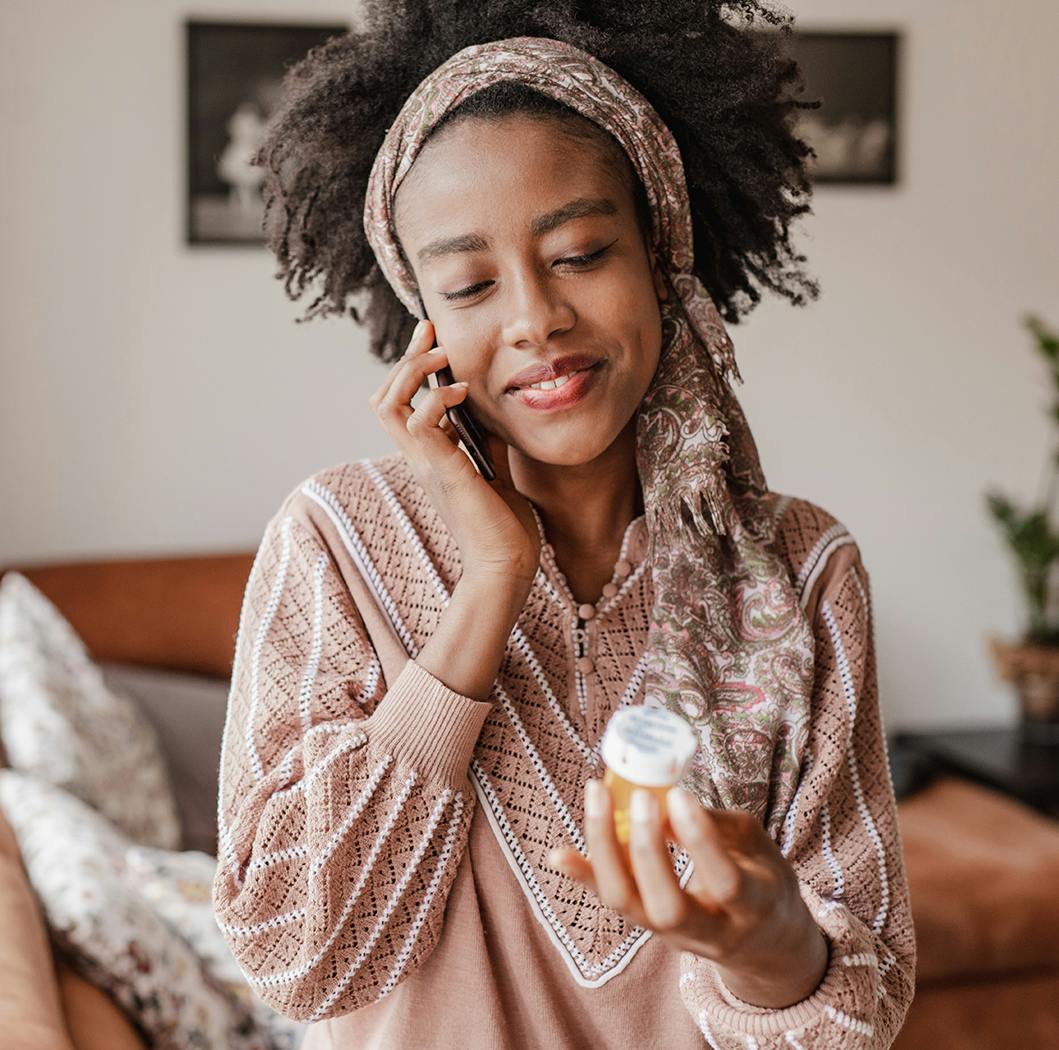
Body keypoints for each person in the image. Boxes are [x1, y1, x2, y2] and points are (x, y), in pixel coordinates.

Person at [211, 4, 916, 1048]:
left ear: (661, 255)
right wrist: (491, 582)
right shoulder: (333, 541)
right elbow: (298, 957)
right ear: (425, 323)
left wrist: (769, 946)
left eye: (581, 252)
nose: (535, 317)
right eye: (470, 284)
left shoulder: (804, 574)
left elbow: (861, 1007)